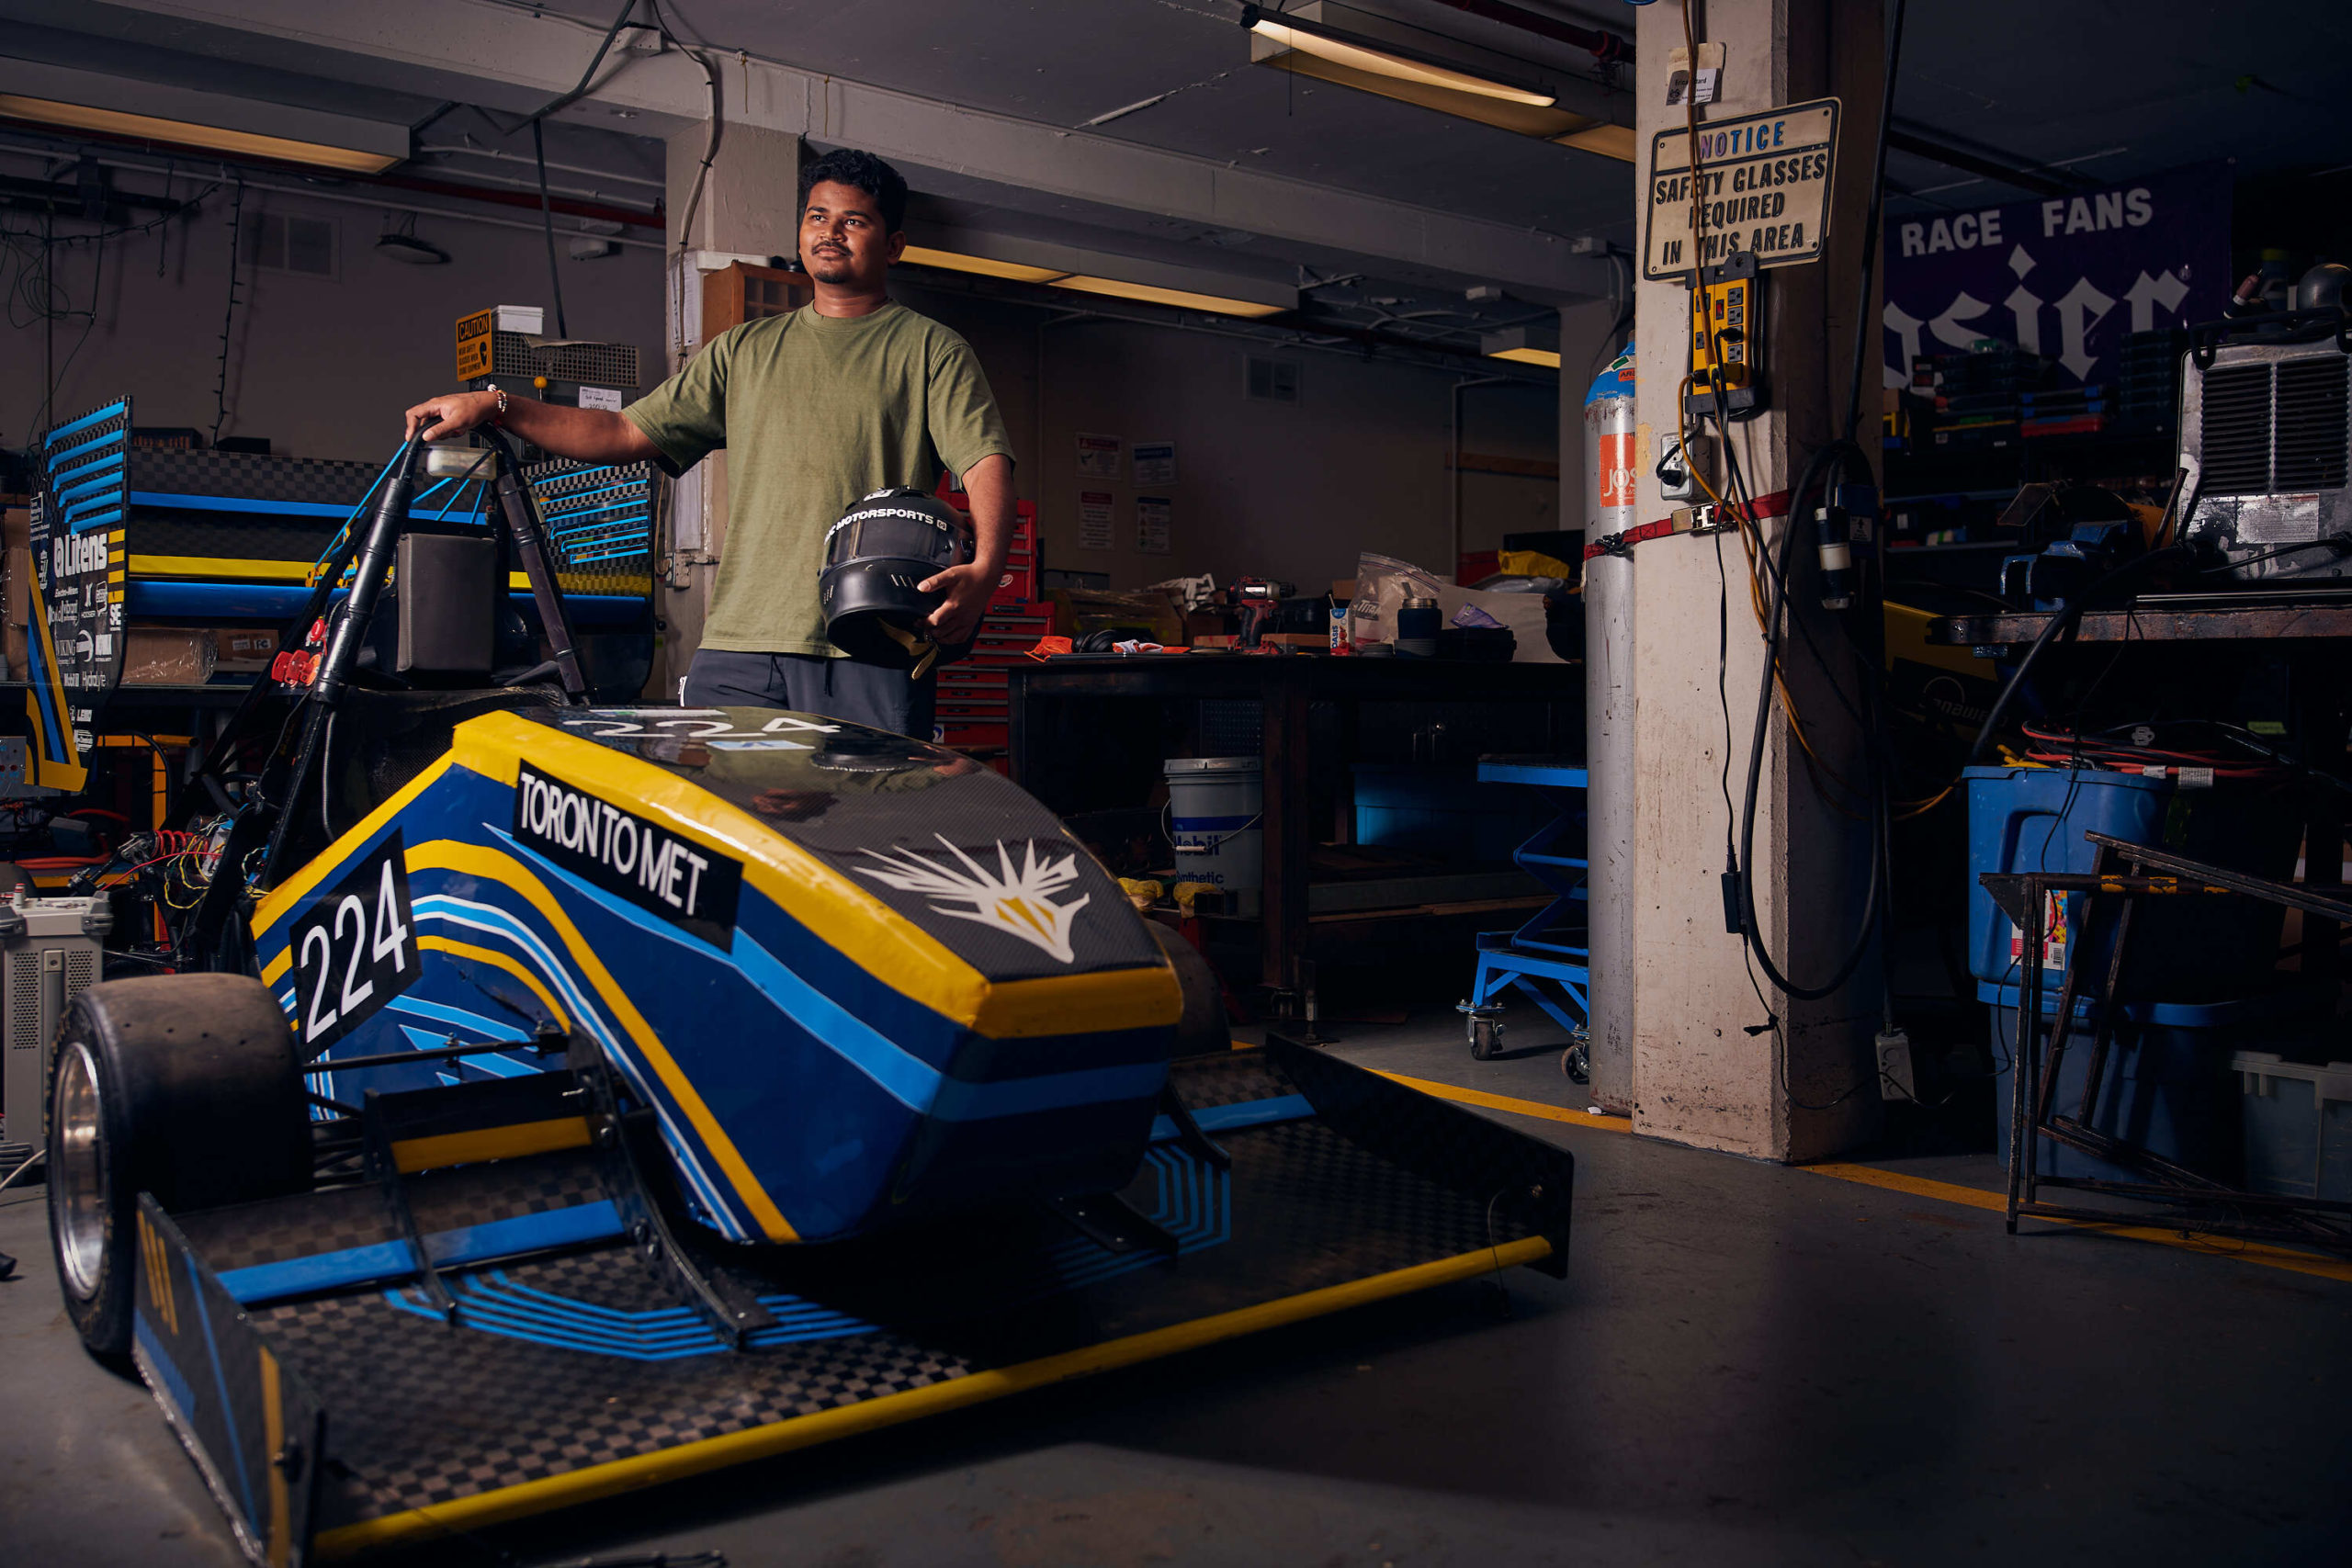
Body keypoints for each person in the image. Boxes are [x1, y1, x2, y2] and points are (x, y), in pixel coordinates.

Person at [403, 148, 1015, 737]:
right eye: (817, 216)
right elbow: (622, 430)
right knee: (723, 826)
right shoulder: (743, 350)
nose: (830, 232)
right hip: (740, 643)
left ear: (894, 244)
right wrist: (497, 404)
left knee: (849, 834)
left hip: (864, 639)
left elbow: (985, 460)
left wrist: (985, 572)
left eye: (854, 220)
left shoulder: (930, 349)